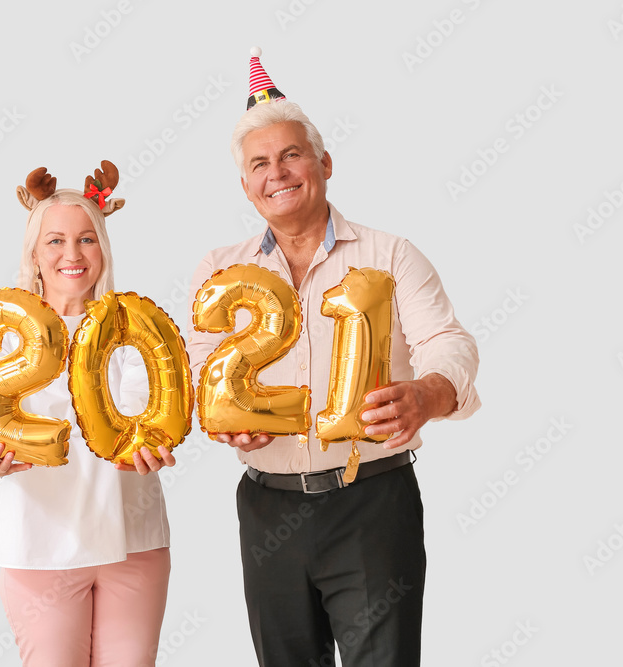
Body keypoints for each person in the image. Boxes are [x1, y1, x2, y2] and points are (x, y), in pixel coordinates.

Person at [185, 50, 481, 666]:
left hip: (371, 501)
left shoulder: (391, 254)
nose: (278, 173)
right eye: (259, 164)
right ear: (246, 187)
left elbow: (449, 343)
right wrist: (216, 414)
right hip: (267, 506)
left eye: (291, 155)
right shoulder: (219, 270)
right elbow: (199, 367)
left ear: (323, 162)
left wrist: (427, 394)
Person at [0, 163, 174, 667]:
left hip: (133, 545)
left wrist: (157, 449)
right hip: (40, 547)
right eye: (55, 240)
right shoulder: (2, 335)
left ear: (104, 249)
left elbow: (154, 416)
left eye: (87, 239)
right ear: (34, 253)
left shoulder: (136, 329)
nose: (72, 254)